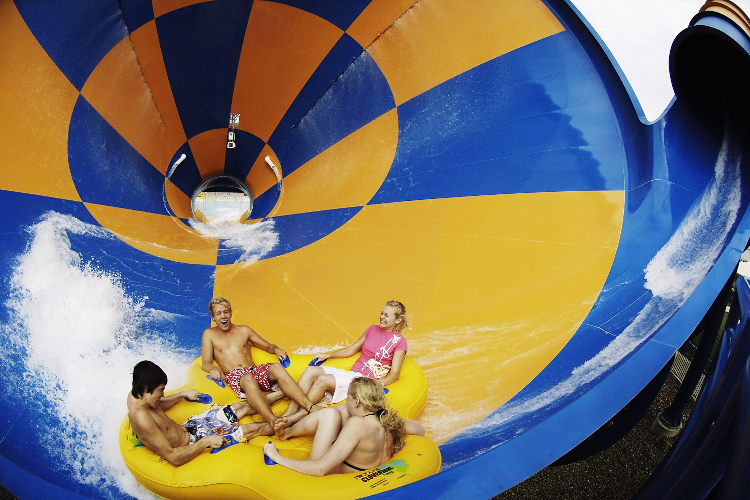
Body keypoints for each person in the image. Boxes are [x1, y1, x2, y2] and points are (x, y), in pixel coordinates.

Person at [127, 360, 284, 466]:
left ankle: (285, 392)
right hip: (193, 442)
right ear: (146, 389)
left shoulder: (138, 394)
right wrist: (205, 442)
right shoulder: (142, 419)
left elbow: (159, 404)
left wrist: (181, 394)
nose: (162, 395)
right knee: (253, 429)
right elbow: (173, 457)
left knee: (243, 407)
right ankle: (293, 421)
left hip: (193, 426)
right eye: (160, 391)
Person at [201, 297, 320, 436]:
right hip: (236, 375)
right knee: (248, 378)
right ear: (213, 317)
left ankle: (310, 406)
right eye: (219, 313)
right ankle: (274, 421)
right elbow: (206, 362)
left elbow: (268, 346)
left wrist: (276, 349)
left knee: (275, 367)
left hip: (253, 371)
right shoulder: (209, 334)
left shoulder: (244, 330)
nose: (223, 316)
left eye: (225, 312)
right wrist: (213, 369)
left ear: (231, 313)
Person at [264, 376, 420, 475]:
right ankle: (290, 428)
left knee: (330, 414)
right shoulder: (386, 418)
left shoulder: (357, 424)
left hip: (340, 472)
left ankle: (287, 432)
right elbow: (419, 429)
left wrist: (276, 457)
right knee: (340, 411)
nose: (346, 400)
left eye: (347, 397)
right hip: (368, 464)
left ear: (357, 401)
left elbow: (319, 469)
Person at [282, 300, 409, 417]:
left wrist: (380, 383)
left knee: (322, 380)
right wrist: (328, 355)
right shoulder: (372, 329)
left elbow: (395, 374)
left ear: (397, 320)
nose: (381, 317)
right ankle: (288, 415)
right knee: (311, 371)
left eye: (386, 315)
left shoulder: (399, 342)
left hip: (363, 382)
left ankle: (294, 417)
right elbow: (351, 349)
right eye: (382, 313)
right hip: (353, 374)